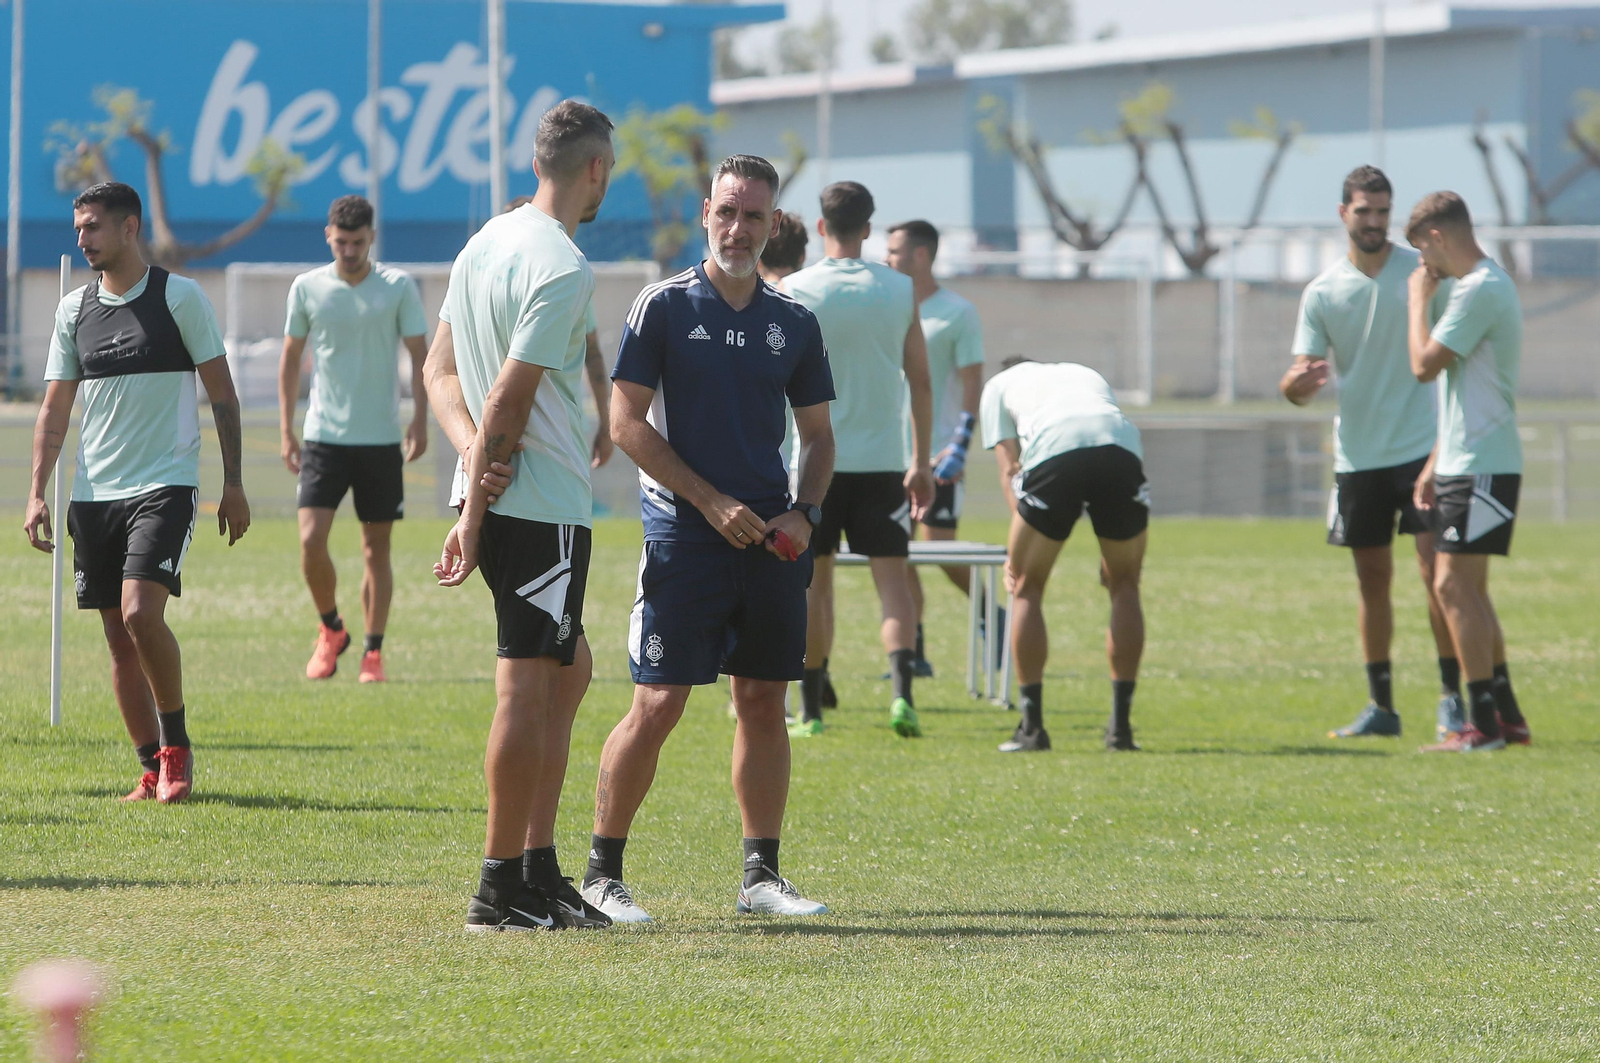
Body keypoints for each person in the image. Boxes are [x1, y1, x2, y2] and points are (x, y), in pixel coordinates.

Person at [580, 154, 836, 923]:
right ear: (705, 213)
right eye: (727, 212)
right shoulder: (661, 306)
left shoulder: (793, 321)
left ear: (772, 225)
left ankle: (761, 877)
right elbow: (624, 424)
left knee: (762, 701)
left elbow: (820, 436)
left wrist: (805, 512)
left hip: (770, 542)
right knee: (657, 702)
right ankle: (601, 875)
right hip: (682, 536)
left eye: (753, 216)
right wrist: (709, 500)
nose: (738, 228)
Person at [423, 100, 618, 931]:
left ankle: (536, 868)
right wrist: (477, 497)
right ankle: (498, 888)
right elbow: (508, 397)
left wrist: (468, 470)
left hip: (505, 496)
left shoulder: (483, 243)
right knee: (528, 687)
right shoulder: (563, 263)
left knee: (570, 673)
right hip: (538, 507)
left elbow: (437, 374)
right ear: (595, 169)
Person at [24, 182, 250, 803]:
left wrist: (233, 483)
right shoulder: (73, 312)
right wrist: (37, 491)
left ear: (130, 228)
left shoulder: (180, 298)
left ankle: (177, 750)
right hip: (94, 495)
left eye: (92, 227)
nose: (82, 239)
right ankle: (150, 767)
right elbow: (54, 409)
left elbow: (223, 396)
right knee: (117, 641)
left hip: (165, 484)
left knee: (139, 614)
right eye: (78, 228)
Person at [1279, 166, 1462, 740]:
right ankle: (1381, 706)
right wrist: (1296, 388)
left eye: (1383, 212)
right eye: (1364, 211)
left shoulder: (1423, 274)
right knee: (1371, 582)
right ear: (1343, 215)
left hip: (1423, 451)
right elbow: (1296, 377)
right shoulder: (1323, 292)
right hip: (1358, 457)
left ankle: (1453, 699)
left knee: (1439, 579)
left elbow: (1457, 345)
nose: (1376, 222)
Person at [785, 182, 934, 738]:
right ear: (869, 228)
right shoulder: (899, 289)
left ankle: (813, 713)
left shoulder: (796, 289)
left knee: (815, 588)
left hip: (814, 464)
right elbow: (920, 380)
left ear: (821, 228)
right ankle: (902, 698)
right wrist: (919, 459)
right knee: (892, 584)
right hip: (884, 463)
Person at [279, 195, 429, 683]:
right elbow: (289, 360)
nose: (348, 251)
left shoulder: (398, 287)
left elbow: (420, 356)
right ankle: (331, 629)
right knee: (309, 540)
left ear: (371, 239)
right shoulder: (307, 288)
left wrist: (420, 419)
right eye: (341, 242)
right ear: (329, 236)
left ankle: (373, 651)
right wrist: (286, 427)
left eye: (357, 243)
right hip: (323, 435)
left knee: (374, 550)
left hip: (380, 440)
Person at [1406, 191, 1530, 753]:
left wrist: (1416, 302)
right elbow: (1463, 392)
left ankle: (1480, 728)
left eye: (1421, 252)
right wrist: (1437, 460)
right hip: (1466, 462)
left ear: (1437, 236)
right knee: (1469, 591)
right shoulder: (1480, 287)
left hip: (1482, 464)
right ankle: (1507, 719)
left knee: (1451, 585)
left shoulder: (1479, 288)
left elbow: (1424, 366)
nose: (1422, 267)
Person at [981, 358, 1148, 753]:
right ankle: (1120, 730)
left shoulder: (998, 385)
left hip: (1057, 447)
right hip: (1121, 445)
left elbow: (1010, 470)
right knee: (1125, 584)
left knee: (1026, 587)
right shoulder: (1081, 371)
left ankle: (1032, 729)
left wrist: (1019, 551)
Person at [885, 219, 987, 677]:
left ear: (920, 256)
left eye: (894, 251)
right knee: (894, 552)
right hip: (893, 455)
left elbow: (972, 384)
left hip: (939, 455)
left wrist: (959, 449)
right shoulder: (888, 306)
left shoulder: (958, 312)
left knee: (941, 551)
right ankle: (913, 651)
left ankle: (997, 618)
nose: (887, 258)